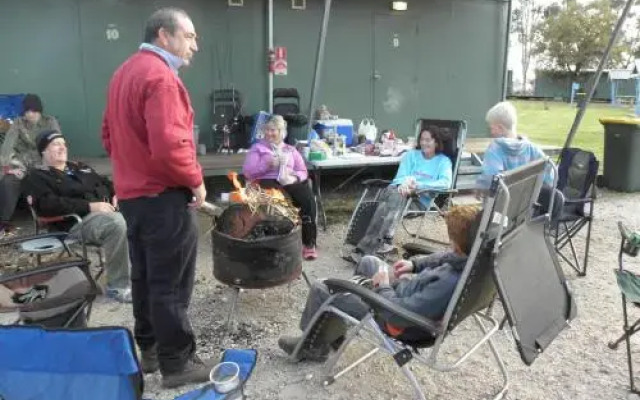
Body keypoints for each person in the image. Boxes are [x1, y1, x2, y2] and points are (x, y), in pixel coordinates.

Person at [101, 7, 210, 388]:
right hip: (163, 198)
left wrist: (130, 169)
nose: (196, 45)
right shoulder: (161, 77)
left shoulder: (123, 73)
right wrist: (195, 180)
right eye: (190, 36)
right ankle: (177, 364)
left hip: (133, 197)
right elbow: (169, 145)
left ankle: (148, 350)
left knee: (145, 277)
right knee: (171, 283)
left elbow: (107, 135)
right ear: (165, 36)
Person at [278, 205, 480, 361]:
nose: (449, 244)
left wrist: (382, 286)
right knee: (369, 262)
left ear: (459, 244)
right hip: (402, 297)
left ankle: (312, 347)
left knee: (323, 287)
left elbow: (398, 314)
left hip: (396, 318)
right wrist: (414, 264)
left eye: (451, 240)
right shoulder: (472, 259)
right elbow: (445, 256)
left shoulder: (446, 282)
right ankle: (333, 330)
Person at [23, 130, 132, 303]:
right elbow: (47, 206)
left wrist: (115, 193)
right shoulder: (37, 176)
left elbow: (106, 183)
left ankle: (143, 275)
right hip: (73, 224)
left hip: (107, 212)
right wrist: (90, 206)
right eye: (56, 144)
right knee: (117, 224)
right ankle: (118, 287)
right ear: (43, 151)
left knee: (143, 212)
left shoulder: (80, 167)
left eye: (64, 144)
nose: (62, 148)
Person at [354, 126, 452, 257]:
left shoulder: (443, 162)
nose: (424, 143)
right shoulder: (411, 155)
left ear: (436, 142)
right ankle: (383, 243)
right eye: (422, 139)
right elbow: (400, 178)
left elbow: (445, 184)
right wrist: (403, 185)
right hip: (398, 192)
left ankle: (371, 246)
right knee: (396, 194)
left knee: (389, 202)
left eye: (428, 140)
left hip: (418, 200)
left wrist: (417, 185)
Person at [243, 114, 319, 260]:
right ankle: (274, 243)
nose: (269, 133)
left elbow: (303, 171)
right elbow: (248, 172)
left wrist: (295, 177)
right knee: (277, 202)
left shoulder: (290, 150)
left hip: (288, 182)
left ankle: (309, 243)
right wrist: (267, 165)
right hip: (266, 182)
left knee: (307, 199)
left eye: (273, 130)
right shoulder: (257, 148)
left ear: (281, 132)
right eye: (267, 130)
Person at [0, 94, 60, 236]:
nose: (30, 114)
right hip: (21, 164)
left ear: (39, 110)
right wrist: (10, 165)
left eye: (33, 111)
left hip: (44, 164)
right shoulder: (18, 123)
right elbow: (7, 147)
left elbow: (57, 144)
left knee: (44, 181)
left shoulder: (49, 122)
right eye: (27, 111)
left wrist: (51, 165)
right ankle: (4, 221)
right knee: (9, 182)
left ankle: (50, 220)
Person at [477, 101, 553, 188]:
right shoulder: (532, 149)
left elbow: (488, 182)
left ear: (500, 128)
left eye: (492, 128)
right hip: (528, 199)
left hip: (503, 200)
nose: (491, 132)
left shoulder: (495, 149)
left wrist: (480, 187)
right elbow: (550, 177)